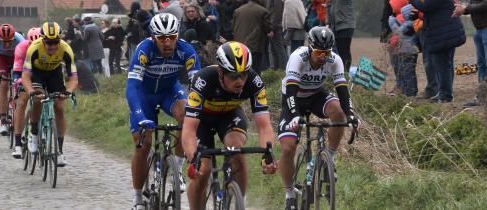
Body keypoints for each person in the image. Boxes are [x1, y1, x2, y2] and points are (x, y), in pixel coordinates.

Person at [182, 42, 278, 209]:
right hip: (202, 121)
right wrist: (193, 160)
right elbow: (189, 129)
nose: (240, 81)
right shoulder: (203, 80)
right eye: (234, 76)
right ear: (221, 71)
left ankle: (240, 200)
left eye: (243, 74)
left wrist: (267, 155)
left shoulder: (255, 82)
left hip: (229, 115)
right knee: (203, 172)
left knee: (236, 149)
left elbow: (264, 126)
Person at [277, 27, 359, 210]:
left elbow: (342, 91)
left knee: (338, 112)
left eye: (327, 52)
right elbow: (290, 91)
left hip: (316, 96)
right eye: (319, 52)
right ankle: (289, 193)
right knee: (289, 147)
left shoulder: (334, 60)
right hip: (293, 99)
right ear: (309, 48)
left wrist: (351, 115)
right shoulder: (298, 58)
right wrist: (295, 116)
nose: (323, 56)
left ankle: (328, 157)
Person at [126, 13, 200, 210]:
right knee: (143, 146)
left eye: (172, 37)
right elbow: (132, 87)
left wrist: (200, 112)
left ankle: (176, 168)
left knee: (187, 115)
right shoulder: (144, 50)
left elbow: (197, 87)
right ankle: (138, 197)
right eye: (162, 38)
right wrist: (140, 116)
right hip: (144, 94)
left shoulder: (187, 50)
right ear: (153, 38)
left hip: (169, 91)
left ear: (177, 35)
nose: (167, 43)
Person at [21, 22, 79, 166]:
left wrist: (68, 91)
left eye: (55, 42)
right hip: (37, 73)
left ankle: (59, 151)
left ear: (60, 40)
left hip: (54, 73)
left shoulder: (66, 50)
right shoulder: (34, 48)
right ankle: (33, 133)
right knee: (38, 99)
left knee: (59, 107)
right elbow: (26, 76)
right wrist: (31, 92)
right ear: (42, 40)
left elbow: (73, 78)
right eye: (49, 43)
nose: (52, 46)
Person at [410, 0, 466, 103]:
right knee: (445, 64)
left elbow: (426, 7)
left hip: (444, 33)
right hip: (446, 31)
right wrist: (418, 15)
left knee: (442, 65)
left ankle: (445, 95)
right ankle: (445, 93)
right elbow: (433, 10)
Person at [453, 0, 487, 108]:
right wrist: (462, 9)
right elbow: (473, 6)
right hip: (479, 29)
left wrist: (465, 9)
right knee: (481, 64)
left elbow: (486, 5)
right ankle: (482, 97)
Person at [10, 27, 41, 158]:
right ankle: (17, 144)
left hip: (40, 74)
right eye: (31, 43)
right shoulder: (21, 47)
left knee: (42, 98)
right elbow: (17, 70)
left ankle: (41, 126)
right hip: (24, 73)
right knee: (21, 103)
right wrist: (17, 80)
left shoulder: (46, 47)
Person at [0, 23, 25, 136]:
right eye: (4, 41)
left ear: (14, 37)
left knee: (19, 83)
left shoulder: (20, 39)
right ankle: (3, 121)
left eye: (10, 41)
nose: (7, 44)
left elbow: (24, 59)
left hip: (16, 58)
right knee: (4, 85)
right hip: (2, 59)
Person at [387, 2, 422, 97]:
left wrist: (392, 22)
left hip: (405, 51)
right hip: (411, 50)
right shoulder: (414, 22)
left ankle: (409, 92)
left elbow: (398, 33)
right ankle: (408, 91)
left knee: (406, 72)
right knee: (408, 71)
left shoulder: (404, 22)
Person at [233, 0, 274, 73]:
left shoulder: (237, 11)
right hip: (255, 45)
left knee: (242, 69)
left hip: (239, 45)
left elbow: (233, 27)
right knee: (255, 69)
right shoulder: (263, 11)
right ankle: (255, 84)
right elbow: (268, 28)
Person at [327, 0, 355, 71]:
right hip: (335, 25)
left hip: (346, 23)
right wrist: (328, 22)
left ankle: (346, 73)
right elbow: (329, 6)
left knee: (344, 50)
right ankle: (341, 72)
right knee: (340, 51)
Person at [266, 0, 288, 71]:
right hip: (274, 25)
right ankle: (276, 68)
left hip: (275, 26)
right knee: (274, 49)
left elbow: (276, 12)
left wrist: (271, 27)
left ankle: (283, 68)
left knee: (279, 49)